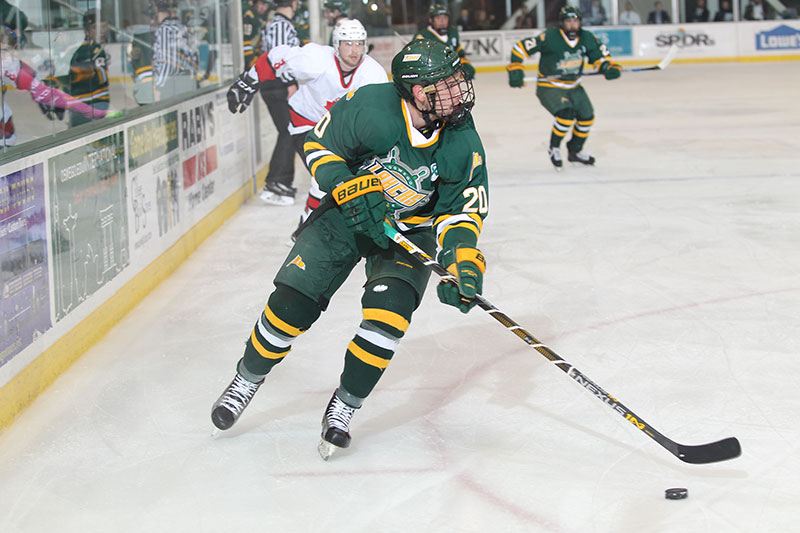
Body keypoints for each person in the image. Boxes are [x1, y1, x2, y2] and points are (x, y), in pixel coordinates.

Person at [213, 38, 487, 461]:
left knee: (388, 318)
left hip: (408, 233)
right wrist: (349, 187)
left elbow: (460, 215)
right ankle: (248, 378)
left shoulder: (462, 140)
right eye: (445, 84)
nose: (457, 90)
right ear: (417, 91)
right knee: (291, 305)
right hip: (346, 215)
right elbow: (319, 144)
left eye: (456, 80)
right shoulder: (372, 106)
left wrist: (463, 263)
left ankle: (345, 406)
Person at [227, 19, 388, 239]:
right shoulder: (315, 59)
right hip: (306, 124)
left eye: (359, 43)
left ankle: (306, 227)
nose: (354, 50)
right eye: (348, 43)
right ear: (336, 44)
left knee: (336, 177)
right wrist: (248, 80)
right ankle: (305, 231)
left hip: (336, 131)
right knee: (324, 177)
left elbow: (379, 114)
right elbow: (275, 57)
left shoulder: (373, 74)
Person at [506, 6, 621, 169]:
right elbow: (521, 48)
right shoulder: (550, 37)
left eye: (575, 21)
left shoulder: (587, 38)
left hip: (574, 86)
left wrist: (608, 67)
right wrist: (516, 67)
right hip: (549, 86)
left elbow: (600, 56)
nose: (573, 25)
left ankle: (574, 151)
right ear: (562, 23)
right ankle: (554, 148)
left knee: (587, 117)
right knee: (566, 115)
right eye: (569, 21)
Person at [0, 25, 114, 147]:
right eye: (6, 51)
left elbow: (38, 88)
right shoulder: (6, 62)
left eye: (10, 51)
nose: (10, 56)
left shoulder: (7, 63)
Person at [257, 0, 301, 205]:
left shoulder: (279, 24)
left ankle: (280, 181)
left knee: (289, 130)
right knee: (288, 130)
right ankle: (276, 181)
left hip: (277, 84)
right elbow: (279, 58)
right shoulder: (280, 25)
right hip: (278, 85)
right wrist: (290, 83)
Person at [58, 10, 110, 127]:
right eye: (95, 27)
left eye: (104, 26)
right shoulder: (90, 51)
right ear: (86, 31)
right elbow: (102, 78)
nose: (101, 31)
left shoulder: (88, 50)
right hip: (93, 106)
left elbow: (65, 80)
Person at [151, 0, 199, 101]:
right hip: (188, 84)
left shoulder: (165, 30)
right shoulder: (184, 28)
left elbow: (167, 62)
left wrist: (159, 85)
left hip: (172, 88)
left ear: (155, 8)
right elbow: (195, 58)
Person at [412, 4, 474, 81]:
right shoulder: (422, 36)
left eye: (445, 18)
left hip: (452, 67)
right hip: (434, 70)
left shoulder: (453, 32)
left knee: (469, 70)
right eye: (438, 18)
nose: (442, 21)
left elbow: (459, 52)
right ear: (431, 20)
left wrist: (464, 65)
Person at [242, 0, 270, 68]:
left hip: (257, 54)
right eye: (261, 3)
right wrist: (250, 59)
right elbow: (245, 38)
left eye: (266, 5)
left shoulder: (260, 16)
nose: (263, 7)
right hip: (249, 56)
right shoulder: (249, 15)